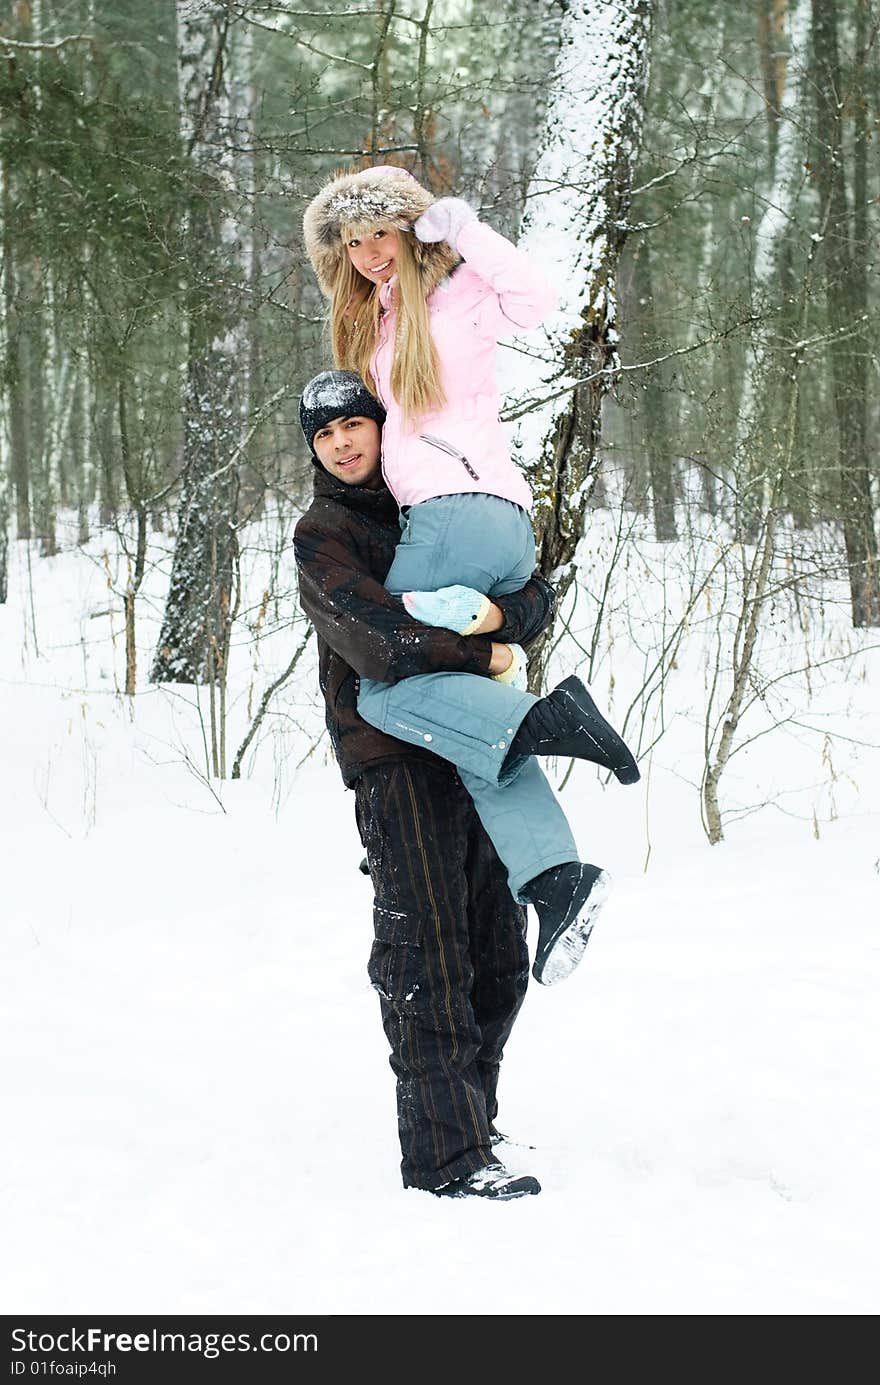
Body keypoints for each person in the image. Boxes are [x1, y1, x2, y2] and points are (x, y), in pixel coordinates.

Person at [301, 166, 640, 983]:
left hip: (461, 511)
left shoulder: (457, 293)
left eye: (383, 231)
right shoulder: (382, 326)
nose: (370, 252)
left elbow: (539, 299)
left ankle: (550, 719)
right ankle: (556, 876)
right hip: (491, 526)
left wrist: (462, 231)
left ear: (412, 230)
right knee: (473, 728)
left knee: (383, 687)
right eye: (353, 241)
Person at [293, 370, 559, 1199]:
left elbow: (533, 594)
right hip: (390, 755)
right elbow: (377, 643)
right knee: (426, 948)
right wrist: (487, 656)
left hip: (468, 741)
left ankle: (470, 1114)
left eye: (351, 426)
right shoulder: (322, 532)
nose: (341, 443)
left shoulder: (428, 508)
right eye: (323, 435)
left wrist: (503, 624)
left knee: (498, 950)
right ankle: (445, 1155)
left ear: (380, 427)